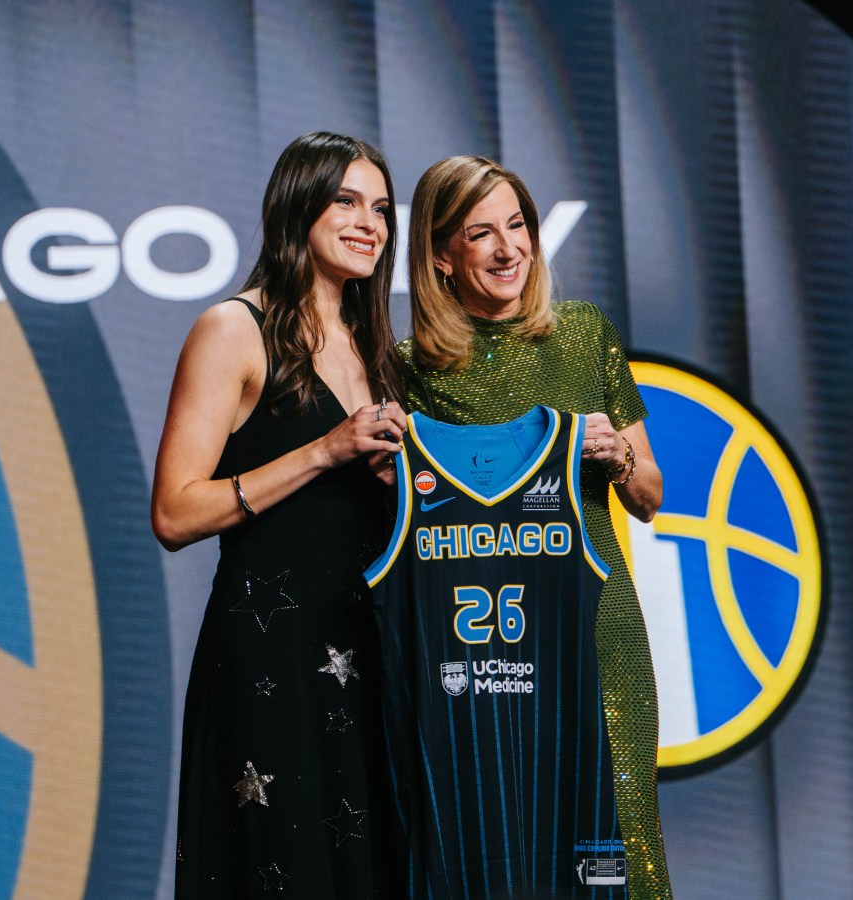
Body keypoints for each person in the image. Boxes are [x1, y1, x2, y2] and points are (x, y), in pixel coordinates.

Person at [397, 155, 673, 899]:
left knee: (620, 844)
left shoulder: (584, 335)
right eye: (480, 233)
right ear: (439, 257)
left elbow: (649, 496)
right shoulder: (408, 367)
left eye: (517, 225)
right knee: (503, 846)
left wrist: (617, 456)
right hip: (484, 649)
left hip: (596, 633)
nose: (508, 247)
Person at [151, 132, 408, 898]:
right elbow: (173, 510)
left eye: (383, 209)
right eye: (347, 201)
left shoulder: (375, 344)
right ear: (298, 207)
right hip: (275, 660)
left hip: (371, 657)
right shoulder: (233, 328)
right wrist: (325, 451)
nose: (370, 223)